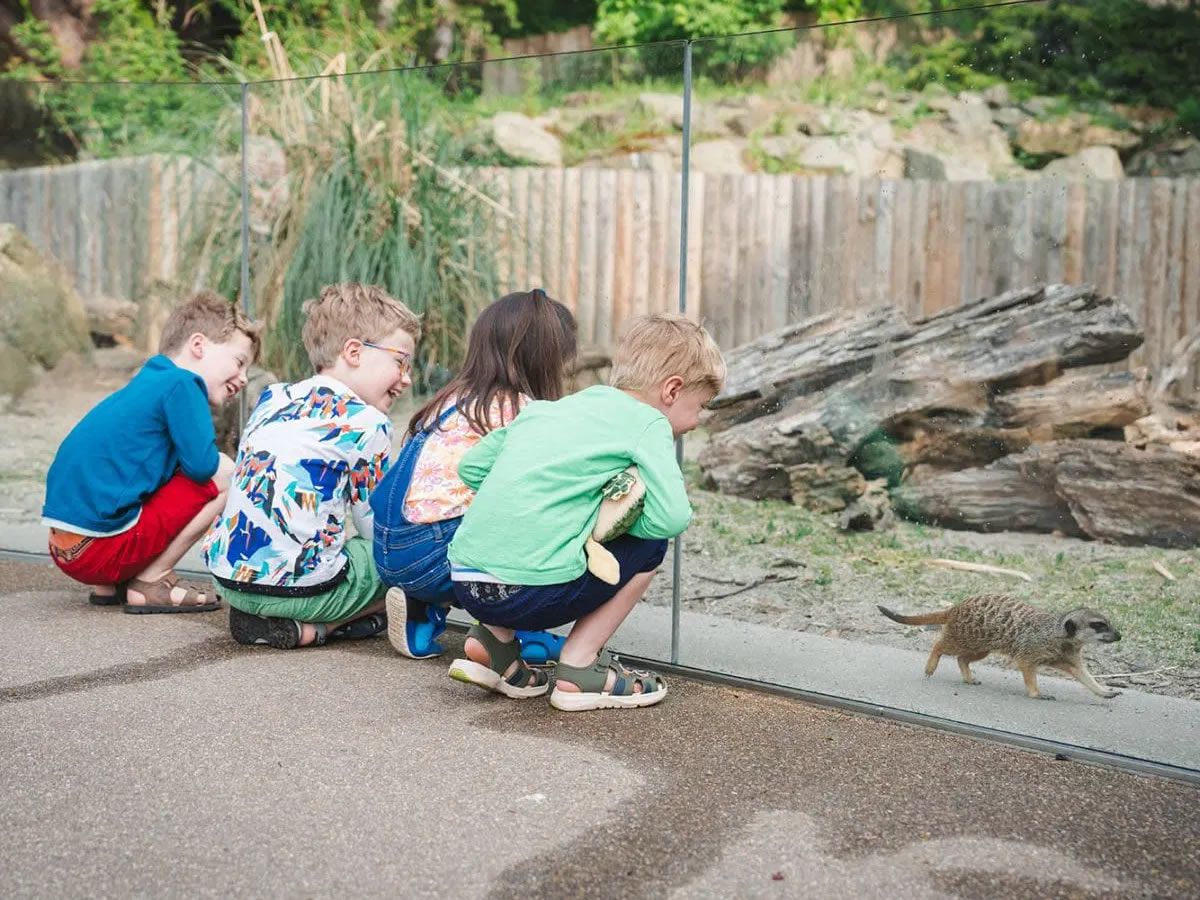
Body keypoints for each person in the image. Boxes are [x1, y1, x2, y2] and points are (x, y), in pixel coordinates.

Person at [446, 313, 725, 711]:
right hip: (530, 594)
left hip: (467, 584)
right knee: (651, 545)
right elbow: (672, 518)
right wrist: (607, 524)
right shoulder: (647, 423)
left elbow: (470, 468)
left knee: (524, 539)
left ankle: (493, 643)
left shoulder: (549, 409)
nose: (698, 420)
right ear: (672, 389)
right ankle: (580, 667)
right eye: (701, 405)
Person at [204, 283, 420, 648]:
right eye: (400, 361)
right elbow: (374, 531)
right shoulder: (367, 424)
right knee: (405, 561)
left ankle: (266, 618)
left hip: (228, 578)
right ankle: (320, 628)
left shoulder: (273, 398)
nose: (407, 377)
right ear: (354, 351)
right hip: (304, 592)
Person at [371, 288, 577, 661]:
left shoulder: (451, 400)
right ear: (542, 360)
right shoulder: (520, 411)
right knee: (537, 515)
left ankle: (423, 611)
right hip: (440, 558)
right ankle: (519, 632)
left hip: (391, 548)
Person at [42, 291, 259, 612]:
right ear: (198, 346)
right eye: (239, 363)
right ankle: (150, 580)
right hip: (98, 552)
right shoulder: (183, 385)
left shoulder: (149, 379)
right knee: (226, 471)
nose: (242, 378)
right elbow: (202, 468)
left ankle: (112, 585)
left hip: (64, 549)